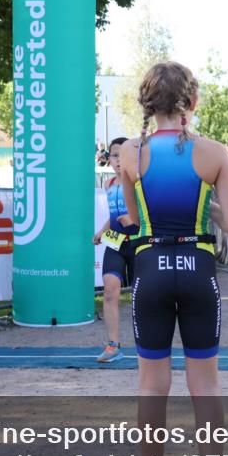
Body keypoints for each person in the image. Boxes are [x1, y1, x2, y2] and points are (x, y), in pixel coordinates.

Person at [119, 62, 228, 456]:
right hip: (198, 270)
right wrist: (205, 199)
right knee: (206, 387)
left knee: (152, 387)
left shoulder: (130, 154)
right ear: (190, 103)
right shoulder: (213, 153)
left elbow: (133, 221)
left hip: (151, 271)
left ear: (148, 105)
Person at [92, 137, 136, 364]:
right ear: (108, 160)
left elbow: (154, 215)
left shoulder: (140, 182)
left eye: (122, 155)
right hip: (116, 243)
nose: (118, 160)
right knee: (109, 290)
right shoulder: (109, 184)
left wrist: (134, 220)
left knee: (145, 297)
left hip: (140, 243)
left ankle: (150, 346)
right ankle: (112, 346)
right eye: (114, 155)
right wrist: (101, 231)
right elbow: (113, 217)